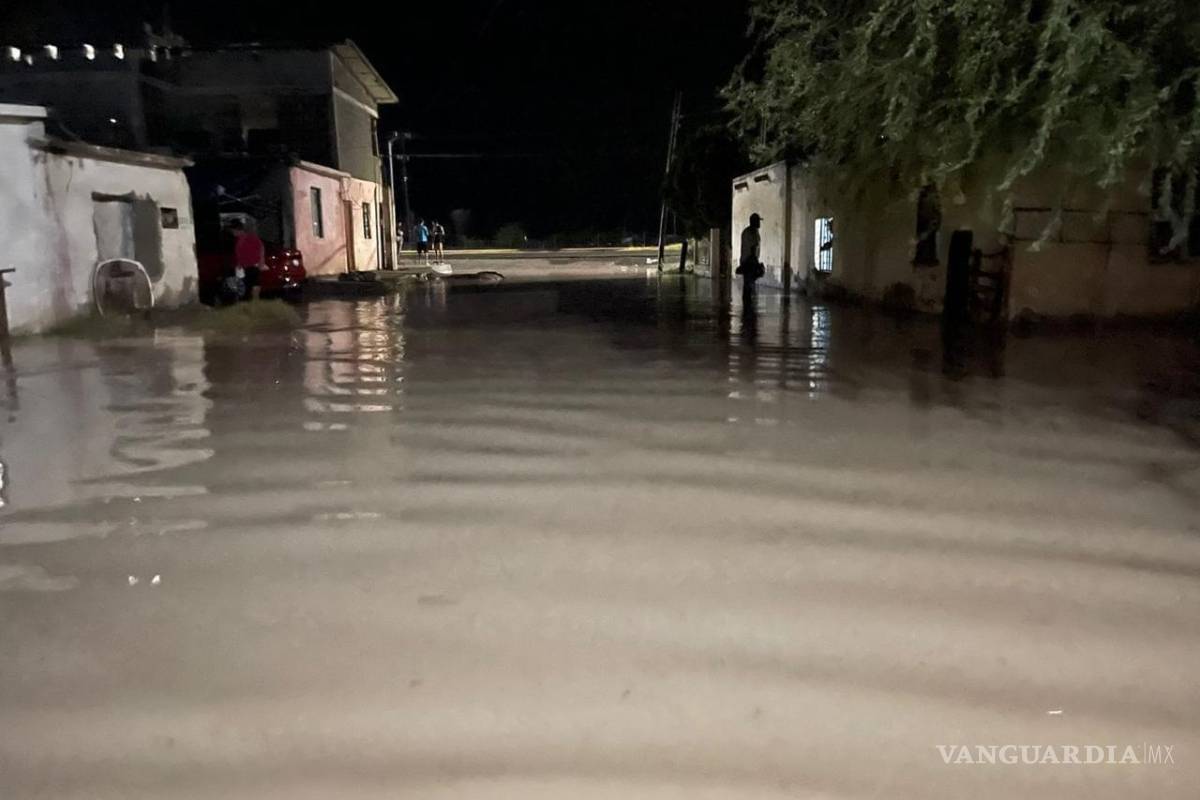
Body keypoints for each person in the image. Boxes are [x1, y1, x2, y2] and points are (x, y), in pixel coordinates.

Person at [229, 218, 265, 301]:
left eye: (233, 230)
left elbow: (261, 247)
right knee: (248, 285)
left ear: (237, 230)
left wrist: (261, 261)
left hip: (252, 264)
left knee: (253, 284)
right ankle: (251, 302)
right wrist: (239, 264)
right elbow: (240, 254)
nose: (232, 232)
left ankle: (255, 302)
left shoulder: (249, 237)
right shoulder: (239, 240)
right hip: (245, 266)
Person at [736, 212, 765, 287]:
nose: (759, 223)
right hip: (750, 262)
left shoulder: (747, 231)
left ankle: (747, 298)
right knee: (749, 285)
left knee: (748, 285)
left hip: (745, 261)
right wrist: (756, 263)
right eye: (758, 221)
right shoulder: (752, 232)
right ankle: (748, 298)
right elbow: (753, 248)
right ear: (754, 222)